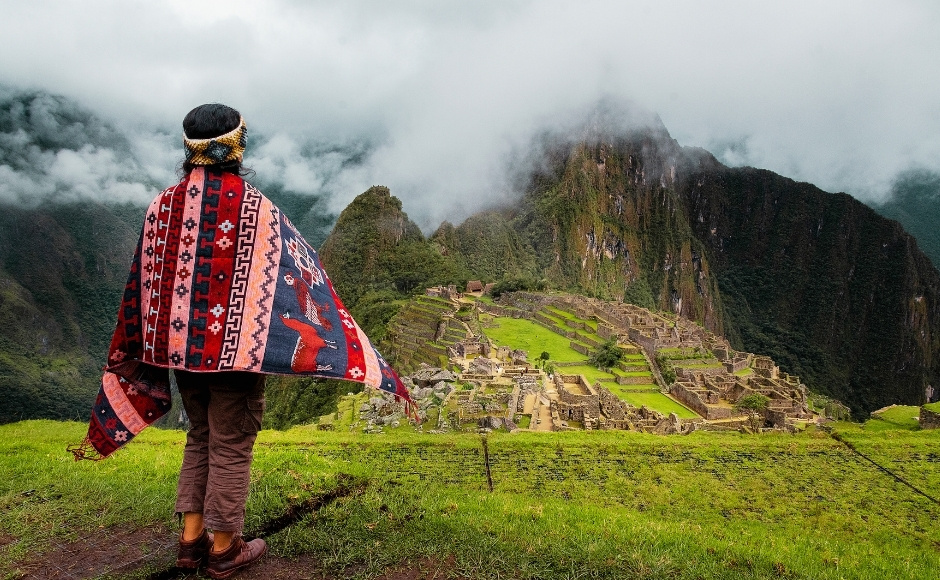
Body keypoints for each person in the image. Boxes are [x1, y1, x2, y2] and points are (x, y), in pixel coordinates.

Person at [70, 104, 414, 579]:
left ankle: (190, 543)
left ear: (188, 150)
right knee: (232, 444)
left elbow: (147, 286)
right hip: (235, 359)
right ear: (238, 147)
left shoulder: (160, 207)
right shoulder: (256, 210)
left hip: (180, 353)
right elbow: (302, 282)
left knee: (200, 436)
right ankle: (225, 550)